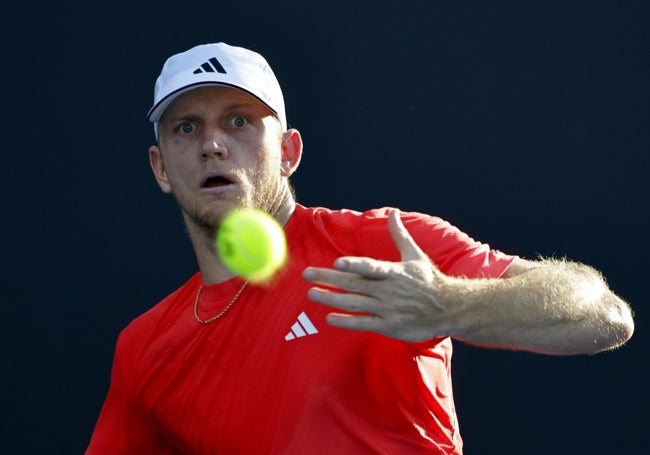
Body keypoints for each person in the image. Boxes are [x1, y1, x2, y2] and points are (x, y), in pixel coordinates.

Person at [85, 42, 634, 454]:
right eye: (186, 127)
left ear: (289, 151)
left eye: (239, 121)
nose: (212, 144)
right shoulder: (144, 350)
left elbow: (602, 315)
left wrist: (449, 305)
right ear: (160, 168)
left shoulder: (382, 245)